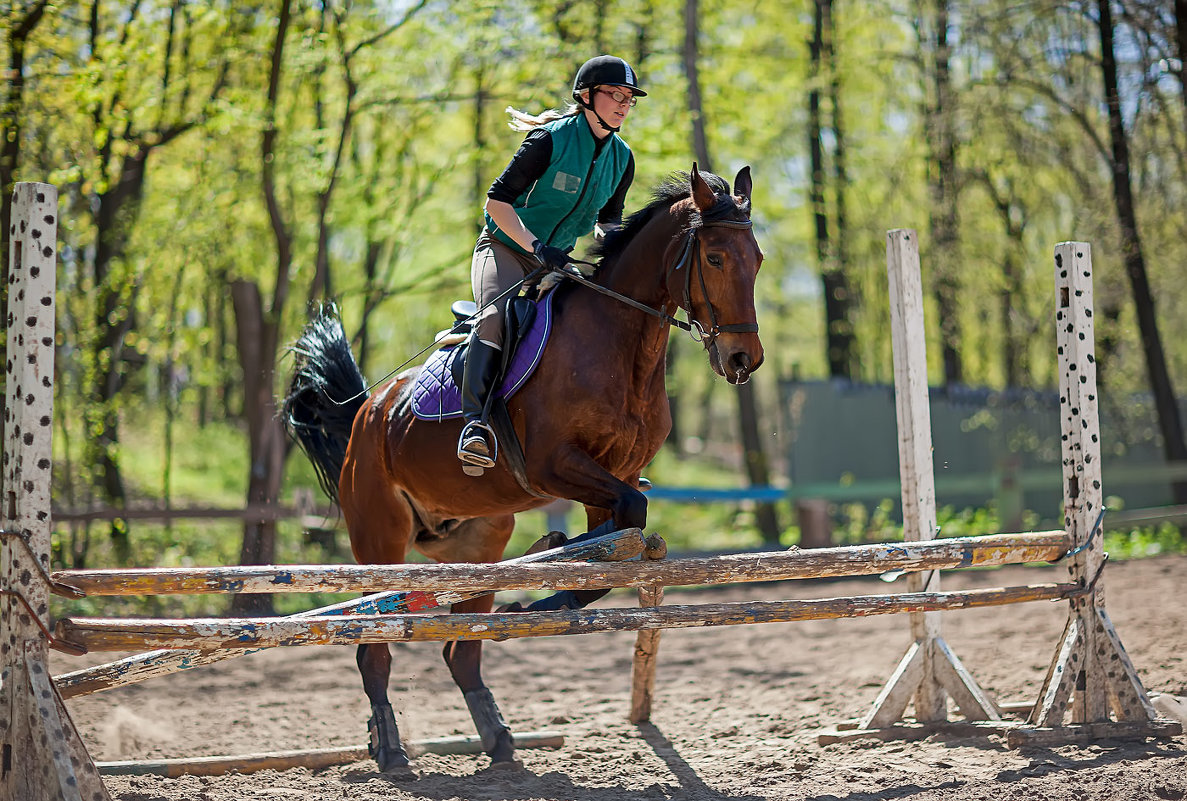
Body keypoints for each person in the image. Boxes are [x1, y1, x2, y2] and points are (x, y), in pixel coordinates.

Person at [457, 55, 644, 469]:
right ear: (586, 96)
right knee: (494, 317)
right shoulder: (549, 140)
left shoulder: (623, 159)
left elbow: (607, 223)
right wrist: (536, 245)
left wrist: (616, 247)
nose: (623, 105)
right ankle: (475, 425)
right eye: (615, 94)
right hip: (505, 248)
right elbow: (496, 202)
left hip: (557, 263)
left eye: (629, 99)